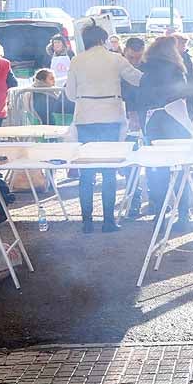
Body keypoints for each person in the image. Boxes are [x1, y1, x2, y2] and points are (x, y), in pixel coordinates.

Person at [65, 22, 144, 233]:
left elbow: (70, 94)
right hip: (111, 116)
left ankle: (87, 222)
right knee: (109, 171)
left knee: (87, 173)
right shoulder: (115, 58)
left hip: (85, 118)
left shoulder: (76, 60)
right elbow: (137, 79)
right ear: (103, 39)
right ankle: (109, 221)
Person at [137, 36, 193, 217]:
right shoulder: (176, 68)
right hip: (175, 119)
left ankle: (159, 212)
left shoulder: (144, 68)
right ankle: (183, 213)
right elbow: (182, 92)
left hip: (153, 122)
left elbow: (141, 97)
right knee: (180, 168)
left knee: (158, 169)